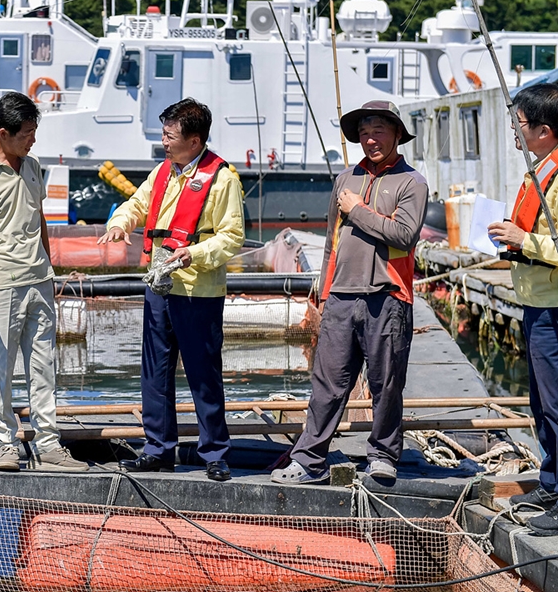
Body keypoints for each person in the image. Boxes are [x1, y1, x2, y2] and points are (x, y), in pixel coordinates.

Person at [271, 100, 428, 485]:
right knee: (327, 383)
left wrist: (357, 209)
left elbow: (405, 236)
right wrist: (325, 294)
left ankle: (384, 455)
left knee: (386, 384)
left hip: (388, 297)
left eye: (378, 131)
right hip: (341, 297)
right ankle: (309, 460)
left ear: (397, 134)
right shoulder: (344, 179)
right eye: (363, 133)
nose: (370, 139)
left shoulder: (412, 182)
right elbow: (331, 242)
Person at [97, 97, 245, 482]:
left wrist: (193, 254)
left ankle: (215, 453)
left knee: (203, 374)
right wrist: (120, 224)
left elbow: (232, 236)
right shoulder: (163, 171)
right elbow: (136, 204)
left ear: (194, 141)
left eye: (169, 135)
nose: (163, 141)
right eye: (164, 134)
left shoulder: (223, 179)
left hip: (198, 290)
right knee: (155, 371)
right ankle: (158, 449)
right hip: (159, 285)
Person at [0, 91, 88, 473]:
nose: (33, 139)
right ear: (4, 133)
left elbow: (39, 217)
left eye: (34, 130)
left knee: (44, 366)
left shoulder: (32, 165)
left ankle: (49, 443)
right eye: (27, 133)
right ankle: (5, 444)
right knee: (0, 369)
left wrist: (50, 266)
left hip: (39, 280)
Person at [487, 83, 558, 536]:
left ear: (545, 131)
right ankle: (551, 484)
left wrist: (523, 240)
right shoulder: (540, 170)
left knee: (556, 404)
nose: (515, 129)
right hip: (534, 303)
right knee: (541, 404)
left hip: (553, 307)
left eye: (521, 123)